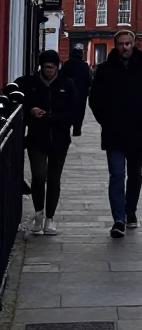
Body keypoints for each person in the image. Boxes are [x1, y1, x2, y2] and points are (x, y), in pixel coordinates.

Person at [88, 29, 142, 238]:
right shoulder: (104, 70)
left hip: (138, 131)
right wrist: (106, 120)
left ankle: (131, 211)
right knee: (117, 174)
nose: (125, 47)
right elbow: (94, 100)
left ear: (134, 44)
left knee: (135, 175)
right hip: (113, 132)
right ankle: (118, 219)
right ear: (116, 45)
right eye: (121, 44)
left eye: (128, 44)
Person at [20, 50, 79, 235]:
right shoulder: (30, 84)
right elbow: (16, 99)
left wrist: (52, 116)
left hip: (59, 140)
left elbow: (74, 113)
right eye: (46, 67)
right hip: (36, 139)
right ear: (41, 66)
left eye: (52, 67)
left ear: (58, 66)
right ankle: (38, 215)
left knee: (54, 179)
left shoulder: (67, 85)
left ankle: (50, 219)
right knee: (38, 176)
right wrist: (31, 111)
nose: (49, 70)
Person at [61, 44, 92, 137]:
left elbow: (62, 76)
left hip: (68, 91)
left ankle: (66, 127)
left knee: (67, 109)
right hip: (81, 92)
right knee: (80, 111)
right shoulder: (85, 65)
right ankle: (77, 129)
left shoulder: (67, 64)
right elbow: (88, 79)